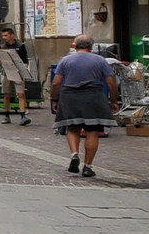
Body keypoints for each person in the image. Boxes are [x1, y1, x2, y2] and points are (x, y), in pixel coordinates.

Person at [50, 36, 119, 179]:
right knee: (92, 131)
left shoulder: (65, 60)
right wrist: (113, 100)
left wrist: (54, 99)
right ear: (91, 47)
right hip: (93, 96)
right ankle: (87, 166)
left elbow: (56, 83)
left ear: (75, 46)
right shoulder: (100, 61)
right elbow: (111, 83)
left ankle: (74, 154)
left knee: (72, 128)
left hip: (70, 96)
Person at [0, 26, 32, 126]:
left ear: (12, 35)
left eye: (6, 35)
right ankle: (6, 115)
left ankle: (23, 115)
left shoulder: (20, 46)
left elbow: (25, 61)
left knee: (20, 94)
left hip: (18, 72)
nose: (4, 37)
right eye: (3, 36)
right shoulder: (2, 47)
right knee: (6, 94)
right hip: (7, 72)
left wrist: (23, 68)